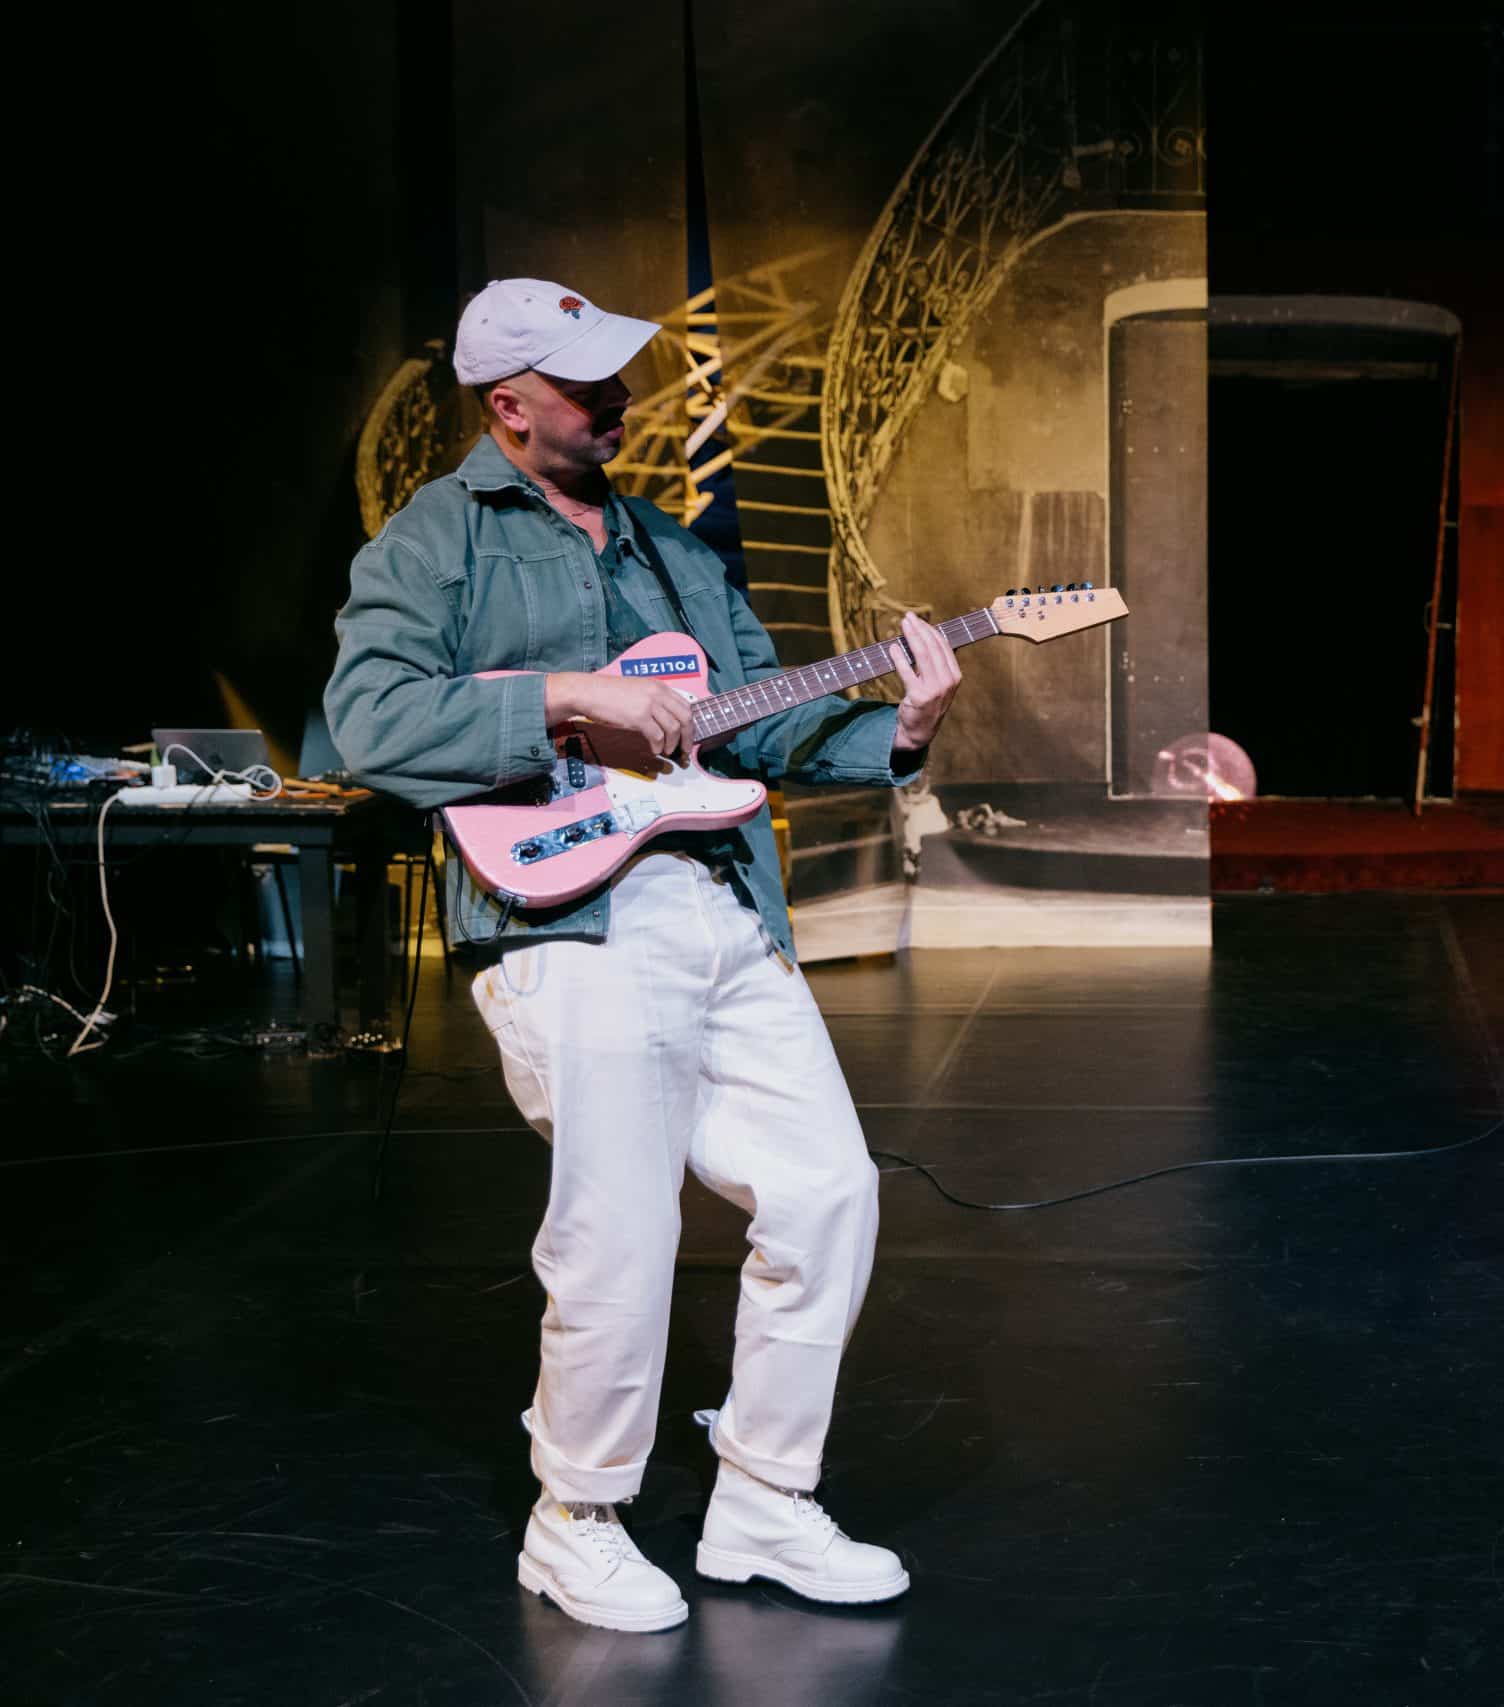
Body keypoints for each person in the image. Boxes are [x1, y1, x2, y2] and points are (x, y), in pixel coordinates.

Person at [326, 278, 963, 1633]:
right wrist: (563, 694)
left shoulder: (670, 548)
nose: (621, 398)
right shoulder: (436, 538)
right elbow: (369, 721)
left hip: (723, 901)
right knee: (620, 1228)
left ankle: (766, 1498)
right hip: (569, 920)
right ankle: (575, 1520)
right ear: (508, 406)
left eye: (618, 373)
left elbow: (758, 725)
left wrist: (900, 732)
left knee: (828, 1193)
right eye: (586, 384)